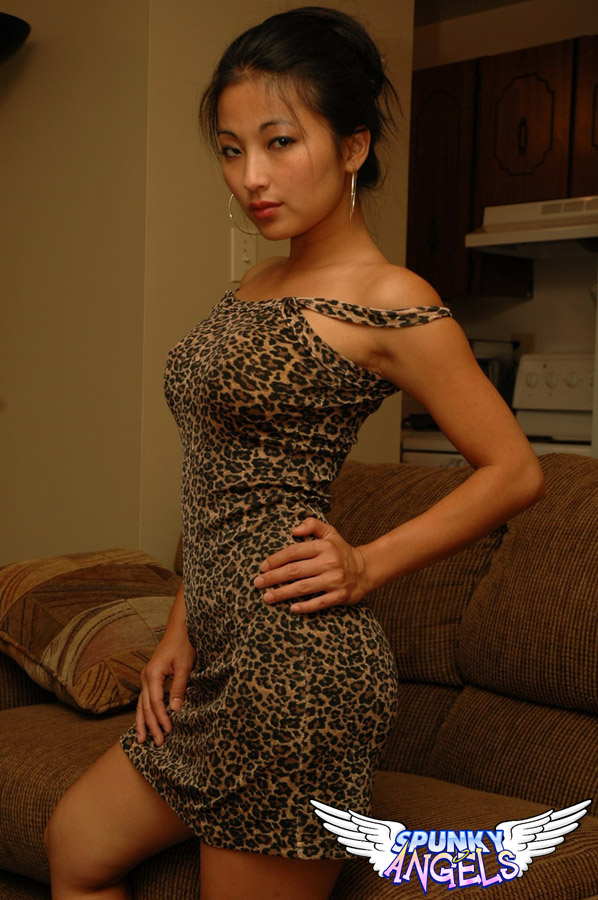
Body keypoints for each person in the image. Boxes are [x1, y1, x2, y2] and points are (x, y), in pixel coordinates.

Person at [44, 7, 545, 899]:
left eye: (279, 142)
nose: (252, 176)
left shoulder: (390, 297)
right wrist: (179, 630)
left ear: (353, 147)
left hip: (298, 675)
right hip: (216, 658)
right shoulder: (256, 281)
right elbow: (224, 484)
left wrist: (367, 563)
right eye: (231, 149)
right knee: (74, 850)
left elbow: (517, 469)